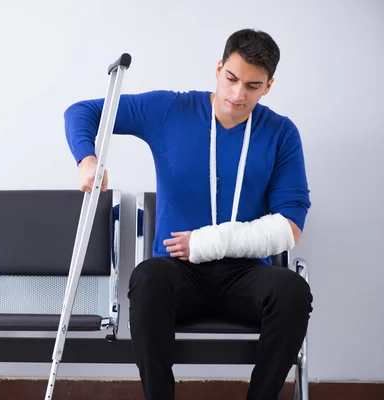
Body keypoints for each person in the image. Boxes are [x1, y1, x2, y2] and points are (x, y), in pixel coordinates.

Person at [63, 29, 313, 400]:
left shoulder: (280, 133)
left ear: (268, 87)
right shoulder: (171, 110)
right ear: (218, 68)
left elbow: (289, 226)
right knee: (147, 278)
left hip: (244, 274)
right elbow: (83, 111)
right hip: (178, 271)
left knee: (293, 291)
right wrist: (88, 159)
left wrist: (208, 242)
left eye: (252, 86)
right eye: (231, 78)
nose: (237, 94)